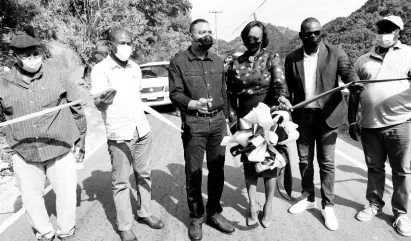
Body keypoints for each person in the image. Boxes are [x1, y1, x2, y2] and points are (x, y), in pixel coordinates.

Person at [0, 34, 87, 241]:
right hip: (24, 150)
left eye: (35, 53)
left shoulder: (57, 74)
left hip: (59, 146)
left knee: (66, 194)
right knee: (30, 199)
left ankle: (66, 231)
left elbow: (76, 107)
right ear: (16, 57)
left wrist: (80, 139)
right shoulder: (3, 83)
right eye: (26, 55)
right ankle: (45, 233)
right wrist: (7, 146)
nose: (32, 58)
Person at [284, 17, 359, 231]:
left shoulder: (336, 52)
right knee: (304, 160)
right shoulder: (292, 58)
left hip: (328, 116)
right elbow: (287, 88)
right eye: (308, 33)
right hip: (303, 117)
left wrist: (354, 83)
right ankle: (309, 198)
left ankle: (328, 206)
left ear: (321, 33)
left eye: (317, 32)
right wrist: (285, 102)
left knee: (326, 162)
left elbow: (347, 72)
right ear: (301, 36)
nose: (313, 37)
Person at [90, 29, 164, 241]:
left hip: (142, 129)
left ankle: (145, 213)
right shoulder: (100, 70)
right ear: (110, 44)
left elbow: (136, 96)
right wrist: (104, 101)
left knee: (144, 174)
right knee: (121, 182)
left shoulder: (134, 67)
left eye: (129, 43)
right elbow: (98, 104)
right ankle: (124, 226)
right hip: (120, 134)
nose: (126, 47)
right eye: (121, 43)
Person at [169, 19, 235, 241]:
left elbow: (224, 93)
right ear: (191, 35)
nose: (206, 35)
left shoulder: (217, 61)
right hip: (194, 123)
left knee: (218, 171)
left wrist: (227, 119)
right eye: (201, 32)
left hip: (218, 123)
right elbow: (175, 94)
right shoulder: (178, 62)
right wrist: (193, 104)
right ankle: (196, 218)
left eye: (209, 31)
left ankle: (214, 212)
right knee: (194, 173)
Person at [349, 15, 411, 237]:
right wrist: (352, 120)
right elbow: (353, 93)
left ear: (398, 33)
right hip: (369, 125)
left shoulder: (409, 54)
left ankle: (401, 214)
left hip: (401, 122)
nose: (383, 31)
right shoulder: (363, 60)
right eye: (381, 27)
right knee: (374, 168)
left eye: (389, 28)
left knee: (402, 171)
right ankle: (374, 204)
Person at [225, 21, 291, 228]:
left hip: (267, 117)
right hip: (245, 119)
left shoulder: (272, 58)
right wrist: (234, 122)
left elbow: (279, 84)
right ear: (244, 38)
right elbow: (229, 95)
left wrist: (282, 99)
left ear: (263, 38)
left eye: (257, 38)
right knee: (251, 166)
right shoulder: (234, 62)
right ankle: (253, 205)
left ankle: (268, 205)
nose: (252, 41)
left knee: (269, 165)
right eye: (249, 37)